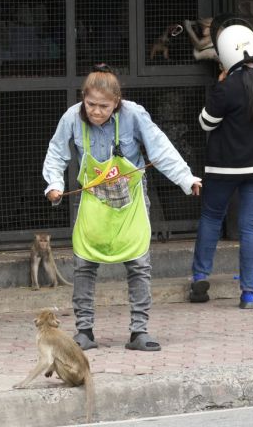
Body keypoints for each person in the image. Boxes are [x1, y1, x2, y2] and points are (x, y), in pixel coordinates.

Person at [43, 65, 202, 352]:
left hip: (131, 202)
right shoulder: (71, 117)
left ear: (117, 102)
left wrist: (186, 179)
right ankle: (84, 331)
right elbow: (56, 153)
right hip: (93, 201)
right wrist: (53, 185)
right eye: (90, 104)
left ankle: (139, 331)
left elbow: (160, 149)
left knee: (139, 265)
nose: (96, 111)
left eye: (104, 106)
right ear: (83, 99)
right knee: (84, 265)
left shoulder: (134, 115)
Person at [188, 18, 253, 310]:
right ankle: (250, 293)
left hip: (224, 167)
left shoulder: (226, 87)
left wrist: (218, 88)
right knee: (251, 228)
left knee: (212, 218)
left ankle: (200, 278)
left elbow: (205, 122)